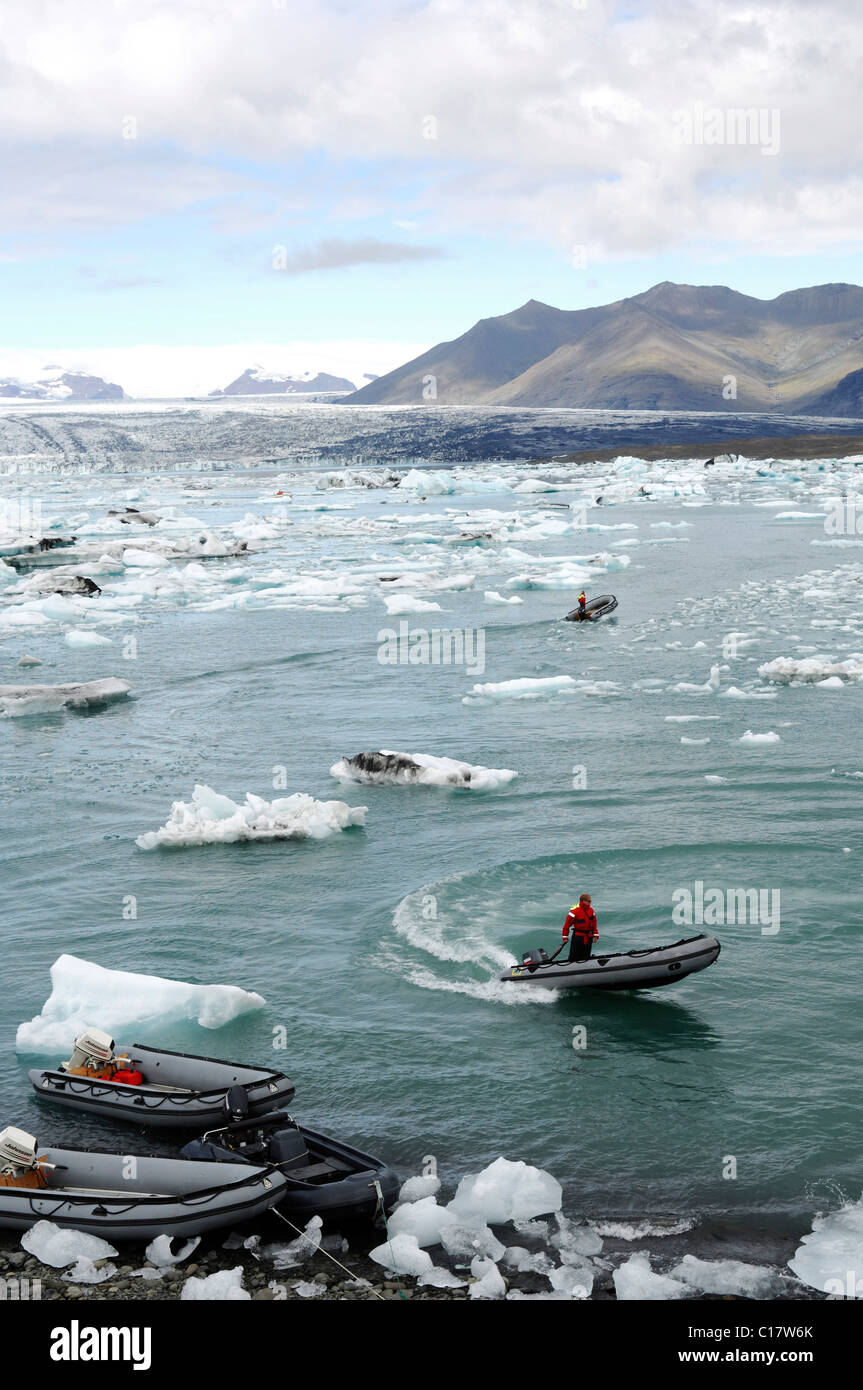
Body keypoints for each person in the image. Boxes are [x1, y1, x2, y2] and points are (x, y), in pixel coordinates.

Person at [562, 893, 598, 962]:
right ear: (583, 901)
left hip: (588, 937)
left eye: (590, 901)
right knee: (573, 956)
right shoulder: (574, 911)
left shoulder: (591, 910)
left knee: (586, 956)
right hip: (578, 937)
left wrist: (596, 935)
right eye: (589, 901)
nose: (590, 903)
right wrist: (565, 937)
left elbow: (594, 924)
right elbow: (567, 925)